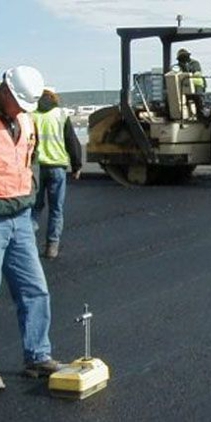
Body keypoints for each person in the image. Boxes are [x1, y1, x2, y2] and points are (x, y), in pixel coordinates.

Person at [0, 65, 62, 390]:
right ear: (6, 91)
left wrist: (33, 190)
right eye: (19, 103)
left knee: (34, 290)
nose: (23, 111)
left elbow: (31, 157)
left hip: (21, 219)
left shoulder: (25, 119)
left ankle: (37, 356)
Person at [31, 89, 82, 259]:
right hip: (57, 167)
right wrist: (77, 166)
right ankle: (52, 246)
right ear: (54, 98)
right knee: (56, 209)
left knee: (34, 208)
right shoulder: (61, 114)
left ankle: (28, 244)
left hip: (36, 168)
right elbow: (71, 141)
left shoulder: (32, 115)